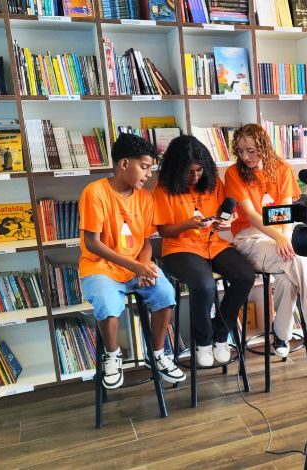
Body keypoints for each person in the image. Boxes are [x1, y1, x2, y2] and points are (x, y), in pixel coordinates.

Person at [79, 133, 185, 390]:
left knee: (165, 293)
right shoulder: (95, 193)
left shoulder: (145, 198)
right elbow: (93, 243)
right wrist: (136, 267)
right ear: (124, 164)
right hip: (100, 267)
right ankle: (112, 355)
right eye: (145, 167)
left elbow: (146, 241)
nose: (148, 174)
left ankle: (157, 353)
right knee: (106, 301)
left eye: (150, 168)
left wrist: (146, 267)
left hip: (137, 266)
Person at [153, 135, 255, 367]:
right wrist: (189, 224)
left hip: (213, 243)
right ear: (176, 169)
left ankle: (221, 333)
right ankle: (203, 341)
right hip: (179, 248)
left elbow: (225, 213)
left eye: (199, 170)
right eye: (189, 172)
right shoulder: (164, 189)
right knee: (205, 285)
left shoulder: (213, 182)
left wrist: (223, 222)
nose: (195, 176)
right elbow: (163, 230)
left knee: (245, 276)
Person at [224, 123, 307, 358]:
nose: (245, 156)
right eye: (240, 151)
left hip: (279, 236)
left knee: (287, 277)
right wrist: (278, 237)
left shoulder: (281, 168)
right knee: (294, 262)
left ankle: (280, 334)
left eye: (251, 150)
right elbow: (249, 214)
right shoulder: (233, 173)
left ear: (263, 147)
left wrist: (285, 238)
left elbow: (287, 211)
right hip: (249, 237)